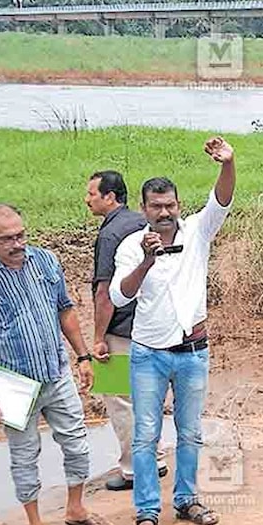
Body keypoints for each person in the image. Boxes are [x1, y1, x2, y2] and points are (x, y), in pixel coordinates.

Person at [0, 204, 114, 525]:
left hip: (57, 373)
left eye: (21, 235)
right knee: (24, 457)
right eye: (7, 239)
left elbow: (65, 310)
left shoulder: (45, 261)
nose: (17, 244)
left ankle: (76, 509)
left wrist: (83, 357)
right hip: (12, 383)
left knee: (77, 443)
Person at [110, 137, 236, 525]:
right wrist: (148, 259)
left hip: (194, 353)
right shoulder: (132, 244)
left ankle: (186, 499)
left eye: (170, 206)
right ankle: (147, 511)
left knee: (190, 432)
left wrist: (227, 164)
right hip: (147, 354)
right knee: (146, 435)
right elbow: (119, 296)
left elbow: (222, 200)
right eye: (155, 207)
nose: (164, 213)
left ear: (178, 205)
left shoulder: (198, 231)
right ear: (144, 209)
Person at [85, 170, 168, 491]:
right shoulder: (141, 223)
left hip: (122, 329)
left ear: (109, 197)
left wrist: (98, 338)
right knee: (147, 397)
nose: (87, 199)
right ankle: (157, 458)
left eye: (92, 194)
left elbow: (105, 292)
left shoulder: (109, 235)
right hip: (154, 326)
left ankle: (134, 468)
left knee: (120, 400)